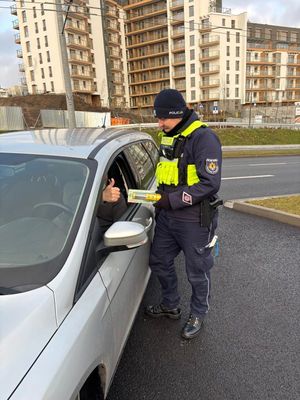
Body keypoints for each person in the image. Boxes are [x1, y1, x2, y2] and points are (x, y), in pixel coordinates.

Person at [145, 88, 222, 340]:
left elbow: (209, 183)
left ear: (177, 114)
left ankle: (198, 313)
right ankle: (170, 304)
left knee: (197, 271)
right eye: (158, 118)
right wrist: (158, 198)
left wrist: (173, 200)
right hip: (168, 217)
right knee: (158, 260)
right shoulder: (169, 135)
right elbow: (166, 173)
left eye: (163, 117)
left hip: (194, 220)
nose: (160, 123)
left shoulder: (204, 139)